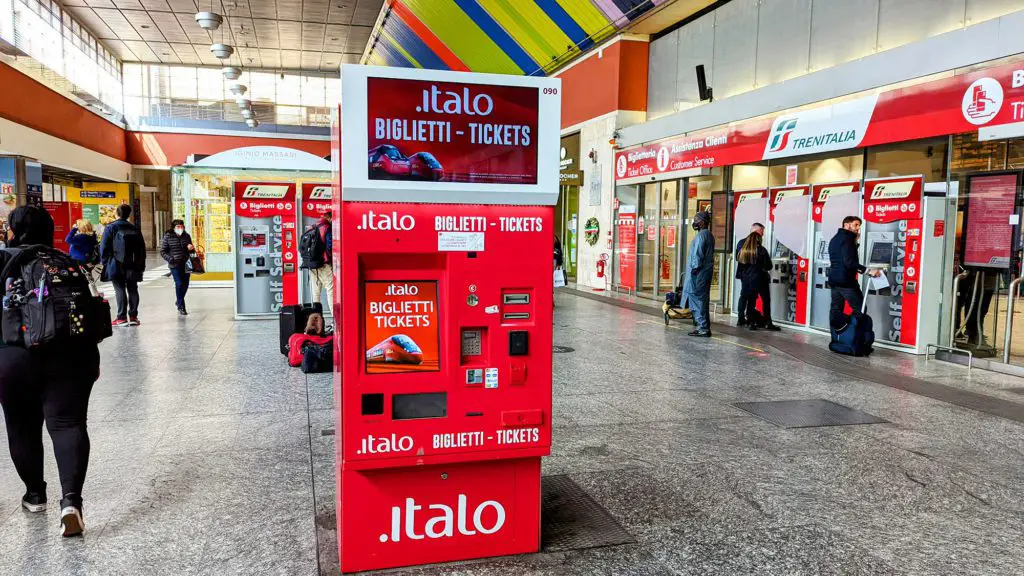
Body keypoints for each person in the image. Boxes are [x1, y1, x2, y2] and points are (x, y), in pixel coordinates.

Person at [0, 205, 100, 537]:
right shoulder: (65, 263)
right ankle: (71, 502)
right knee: (68, 424)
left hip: (14, 357)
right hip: (70, 356)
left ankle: (35, 495)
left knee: (22, 427)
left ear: (15, 231)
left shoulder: (3, 260)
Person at [828, 216, 881, 329]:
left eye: (859, 226)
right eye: (855, 225)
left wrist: (855, 242)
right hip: (846, 281)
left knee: (836, 309)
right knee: (860, 309)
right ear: (846, 225)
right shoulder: (848, 239)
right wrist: (868, 270)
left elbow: (842, 257)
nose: (858, 228)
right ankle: (852, 332)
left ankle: (837, 334)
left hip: (834, 280)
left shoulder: (834, 239)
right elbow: (849, 262)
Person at [100, 204, 146, 327]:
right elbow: (142, 248)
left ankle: (121, 318)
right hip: (133, 264)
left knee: (119, 289)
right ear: (129, 214)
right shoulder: (135, 228)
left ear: (117, 213)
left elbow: (104, 247)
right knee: (133, 289)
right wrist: (141, 265)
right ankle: (133, 317)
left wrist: (105, 262)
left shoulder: (111, 227)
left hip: (116, 263)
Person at [736, 229, 779, 331]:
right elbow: (769, 266)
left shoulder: (744, 251)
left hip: (746, 279)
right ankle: (767, 322)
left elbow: (741, 265)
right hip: (759, 279)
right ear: (759, 240)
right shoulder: (761, 250)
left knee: (748, 299)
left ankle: (747, 320)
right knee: (765, 300)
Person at [682, 211, 715, 337]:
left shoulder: (701, 236)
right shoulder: (709, 235)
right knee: (702, 299)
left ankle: (703, 327)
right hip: (704, 274)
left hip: (698, 275)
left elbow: (697, 255)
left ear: (702, 222)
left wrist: (694, 271)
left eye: (696, 220)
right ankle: (703, 326)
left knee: (697, 299)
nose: (694, 222)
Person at [160, 219, 194, 316]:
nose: (180, 228)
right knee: (179, 283)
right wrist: (170, 259)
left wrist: (191, 248)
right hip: (174, 264)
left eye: (182, 226)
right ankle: (181, 306)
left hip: (186, 263)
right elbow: (163, 251)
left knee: (186, 284)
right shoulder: (168, 236)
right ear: (173, 228)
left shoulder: (186, 236)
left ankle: (179, 300)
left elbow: (191, 250)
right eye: (178, 227)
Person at [735, 223, 765, 327]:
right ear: (756, 231)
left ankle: (741, 318)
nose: (762, 234)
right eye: (761, 231)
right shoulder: (758, 246)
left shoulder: (741, 243)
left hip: (744, 274)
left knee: (744, 296)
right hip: (754, 275)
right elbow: (765, 263)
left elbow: (738, 258)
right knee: (752, 297)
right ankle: (750, 319)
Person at [308, 211, 334, 313]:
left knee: (316, 292)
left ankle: (316, 318)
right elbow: (330, 246)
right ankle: (335, 317)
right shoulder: (327, 228)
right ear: (329, 218)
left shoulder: (313, 227)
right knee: (330, 290)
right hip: (324, 264)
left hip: (312, 264)